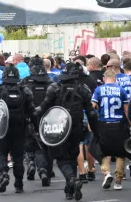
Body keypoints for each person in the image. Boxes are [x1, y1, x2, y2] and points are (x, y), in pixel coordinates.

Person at [36, 63, 99, 201]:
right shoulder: (84, 89)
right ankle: (69, 190)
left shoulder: (54, 88)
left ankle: (72, 179)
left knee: (60, 158)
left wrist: (38, 125)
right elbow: (91, 113)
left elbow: (43, 108)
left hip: (58, 127)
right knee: (72, 156)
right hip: (76, 128)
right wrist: (96, 131)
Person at [0, 65, 35, 193]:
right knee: (18, 155)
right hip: (20, 127)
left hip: (2, 127)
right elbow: (32, 111)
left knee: (1, 152)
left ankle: (4, 174)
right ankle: (19, 183)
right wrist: (35, 125)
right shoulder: (25, 91)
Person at [92, 69, 130, 190]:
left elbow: (92, 107)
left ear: (104, 79)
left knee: (99, 149)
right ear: (115, 79)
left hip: (103, 123)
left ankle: (106, 172)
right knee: (121, 152)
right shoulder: (122, 90)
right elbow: (126, 110)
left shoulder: (98, 90)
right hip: (119, 124)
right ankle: (118, 180)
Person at [22, 58, 54, 186]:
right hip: (48, 118)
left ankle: (32, 163)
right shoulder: (51, 82)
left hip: (30, 117)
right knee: (46, 145)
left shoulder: (25, 82)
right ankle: (46, 170)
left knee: (31, 143)